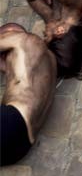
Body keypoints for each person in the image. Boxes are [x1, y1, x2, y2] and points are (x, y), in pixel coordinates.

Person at [0, 23, 56, 166]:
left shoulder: (22, 39)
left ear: (10, 33)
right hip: (20, 147)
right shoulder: (48, 60)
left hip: (10, 123)